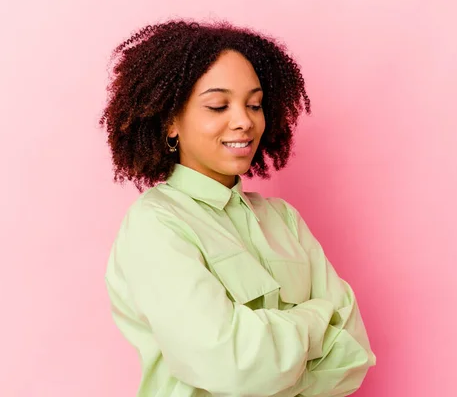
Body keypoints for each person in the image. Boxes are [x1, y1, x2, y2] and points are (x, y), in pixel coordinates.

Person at [101, 20, 376, 396]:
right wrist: (316, 319)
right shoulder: (156, 225)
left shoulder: (284, 220)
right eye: (217, 105)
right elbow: (230, 366)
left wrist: (268, 353)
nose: (244, 121)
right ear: (170, 123)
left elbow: (354, 356)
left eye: (254, 104)